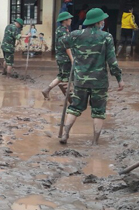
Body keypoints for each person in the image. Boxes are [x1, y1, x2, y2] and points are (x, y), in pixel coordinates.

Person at [60, 8, 124, 145]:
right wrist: (119, 78)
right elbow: (112, 61)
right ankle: (95, 141)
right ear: (99, 22)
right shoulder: (106, 37)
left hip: (80, 80)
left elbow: (63, 42)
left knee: (75, 108)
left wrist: (75, 49)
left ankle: (65, 134)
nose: (103, 22)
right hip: (99, 82)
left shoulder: (76, 35)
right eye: (102, 20)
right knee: (98, 111)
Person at [41, 11, 73, 100]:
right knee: (67, 77)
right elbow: (67, 47)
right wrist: (72, 59)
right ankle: (69, 98)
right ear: (65, 20)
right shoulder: (63, 31)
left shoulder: (60, 29)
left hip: (60, 56)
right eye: (69, 18)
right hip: (64, 58)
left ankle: (47, 89)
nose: (71, 20)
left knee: (61, 76)